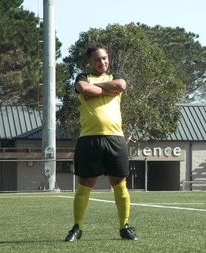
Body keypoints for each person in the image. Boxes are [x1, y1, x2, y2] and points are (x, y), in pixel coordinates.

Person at [64, 43, 137, 241]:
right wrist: (101, 89)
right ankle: (77, 228)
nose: (101, 62)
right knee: (85, 183)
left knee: (119, 183)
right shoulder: (83, 78)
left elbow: (120, 86)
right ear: (90, 62)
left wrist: (94, 89)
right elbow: (82, 88)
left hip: (115, 138)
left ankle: (124, 227)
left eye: (104, 58)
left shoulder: (115, 78)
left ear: (108, 59)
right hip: (89, 139)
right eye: (97, 59)